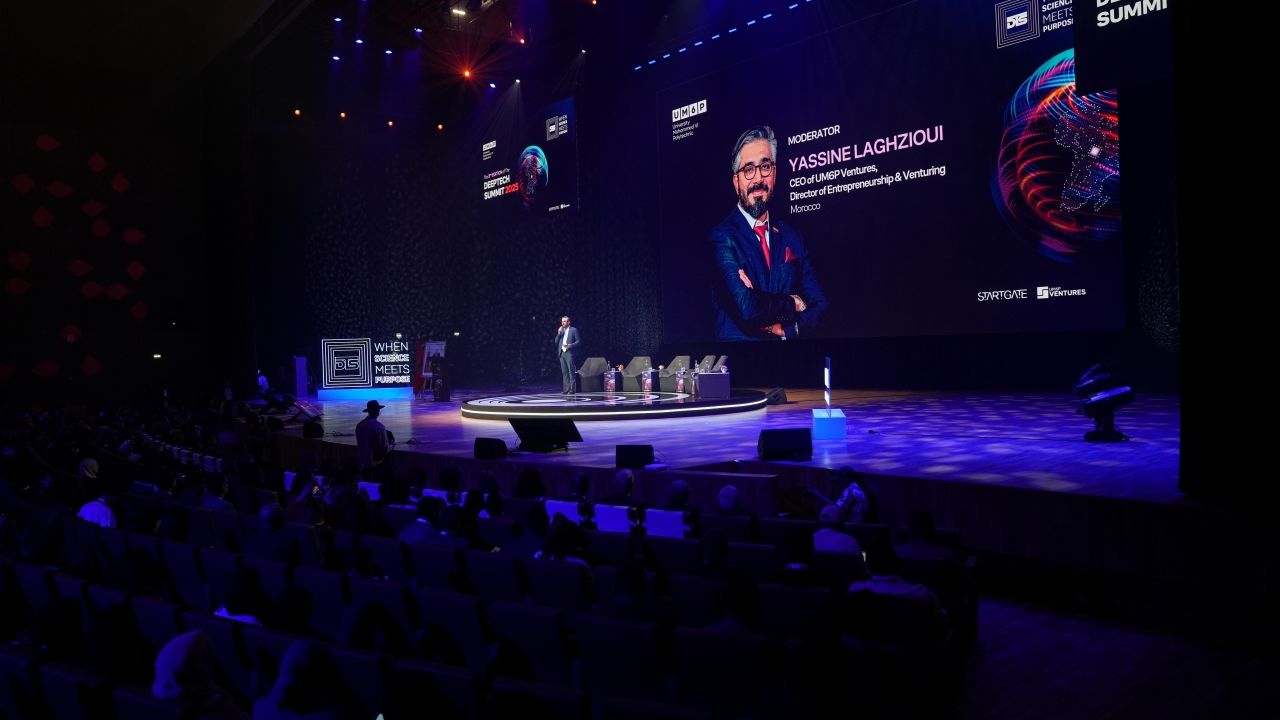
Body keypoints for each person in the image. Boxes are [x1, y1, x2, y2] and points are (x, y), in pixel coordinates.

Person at [711, 125, 827, 340]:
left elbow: (820, 305)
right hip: (739, 358)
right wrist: (793, 302)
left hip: (789, 357)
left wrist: (789, 330)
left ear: (774, 173)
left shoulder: (793, 237)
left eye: (765, 166)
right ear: (736, 182)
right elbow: (746, 307)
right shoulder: (721, 237)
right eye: (748, 169)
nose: (758, 179)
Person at [355, 400, 390, 477]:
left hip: (362, 462)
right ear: (378, 411)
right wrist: (391, 446)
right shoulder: (379, 427)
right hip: (374, 464)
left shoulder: (359, 425)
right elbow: (383, 448)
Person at [554, 315, 581, 394]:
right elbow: (556, 341)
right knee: (564, 372)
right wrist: (558, 333)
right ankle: (566, 389)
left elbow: (578, 341)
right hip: (562, 353)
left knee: (571, 371)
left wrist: (571, 345)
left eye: (565, 321)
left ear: (569, 322)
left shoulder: (573, 330)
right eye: (562, 321)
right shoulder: (561, 331)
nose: (563, 323)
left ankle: (572, 389)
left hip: (569, 353)